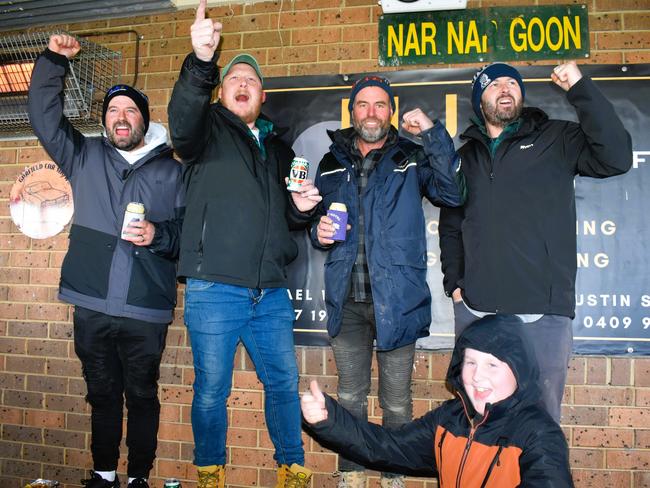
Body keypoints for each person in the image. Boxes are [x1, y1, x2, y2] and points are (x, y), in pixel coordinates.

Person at [167, 1, 321, 486]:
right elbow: (183, 116)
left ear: (262, 95)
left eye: (250, 81)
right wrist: (200, 63)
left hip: (270, 292)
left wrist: (303, 207)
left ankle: (291, 468)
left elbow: (290, 221)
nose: (241, 85)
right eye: (232, 79)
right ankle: (210, 470)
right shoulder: (206, 129)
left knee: (283, 384)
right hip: (215, 288)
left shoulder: (280, 149)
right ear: (222, 90)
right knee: (212, 388)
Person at [28, 34, 184, 488]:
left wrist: (157, 235)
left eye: (130, 110)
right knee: (101, 395)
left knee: (141, 396)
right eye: (113, 111)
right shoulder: (85, 156)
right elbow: (44, 116)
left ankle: (138, 478)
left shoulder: (173, 173)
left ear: (144, 121)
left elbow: (190, 237)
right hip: (92, 303)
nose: (120, 117)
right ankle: (103, 475)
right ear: (105, 122)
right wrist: (54, 61)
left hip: (145, 309)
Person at [439, 61, 632, 423]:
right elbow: (451, 224)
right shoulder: (465, 158)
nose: (506, 88)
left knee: (540, 425)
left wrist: (579, 87)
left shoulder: (556, 138)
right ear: (480, 99)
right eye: (494, 84)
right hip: (477, 311)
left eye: (513, 82)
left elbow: (616, 157)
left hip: (540, 314)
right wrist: (456, 286)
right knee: (477, 423)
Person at [310, 75, 465, 488]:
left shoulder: (411, 155)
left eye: (380, 104)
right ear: (352, 111)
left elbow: (452, 193)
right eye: (363, 104)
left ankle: (393, 479)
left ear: (391, 111)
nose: (372, 112)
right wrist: (317, 232)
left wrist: (432, 134)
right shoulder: (330, 162)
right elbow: (317, 223)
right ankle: (351, 477)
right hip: (348, 302)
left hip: (398, 301)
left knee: (396, 403)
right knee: (350, 400)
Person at [301, 314, 574, 487]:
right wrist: (329, 419)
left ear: (518, 369)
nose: (477, 377)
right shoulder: (451, 418)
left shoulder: (538, 433)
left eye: (493, 365)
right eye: (470, 362)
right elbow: (388, 447)